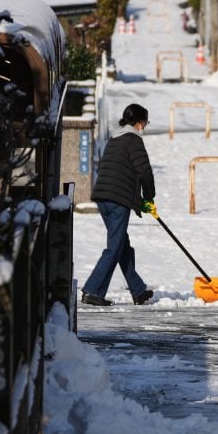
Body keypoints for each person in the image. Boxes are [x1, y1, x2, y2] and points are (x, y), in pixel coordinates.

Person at [81, 103, 156, 306]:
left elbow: (120, 173)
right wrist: (149, 198)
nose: (145, 127)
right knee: (114, 247)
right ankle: (92, 290)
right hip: (117, 201)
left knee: (122, 244)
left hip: (104, 197)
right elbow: (144, 172)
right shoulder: (134, 141)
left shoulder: (115, 139)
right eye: (145, 123)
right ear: (139, 122)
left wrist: (139, 201)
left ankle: (138, 291)